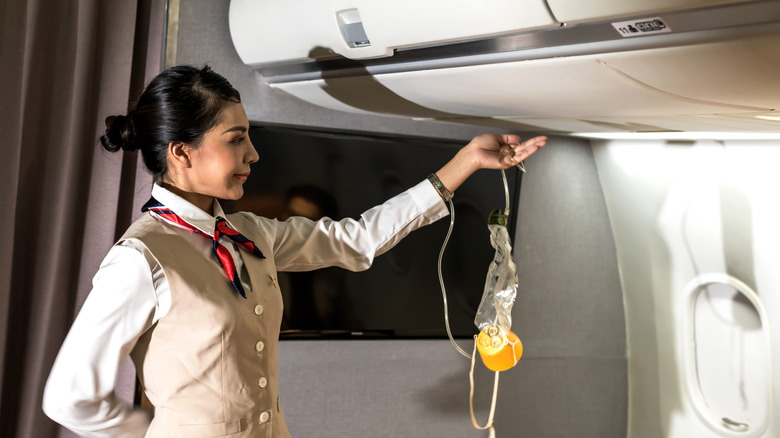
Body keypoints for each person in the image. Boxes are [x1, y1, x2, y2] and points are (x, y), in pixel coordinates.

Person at [42, 65, 547, 438]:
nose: (253, 154)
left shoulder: (251, 234)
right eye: (236, 139)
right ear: (181, 151)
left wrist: (462, 163)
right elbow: (71, 398)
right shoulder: (141, 258)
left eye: (250, 138)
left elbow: (358, 238)